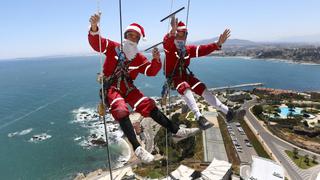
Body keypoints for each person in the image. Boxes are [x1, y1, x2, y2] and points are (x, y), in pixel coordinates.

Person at [88, 13, 198, 163]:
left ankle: (177, 130)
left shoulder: (138, 57)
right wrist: (94, 28)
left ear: (139, 40)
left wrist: (156, 60)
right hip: (111, 88)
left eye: (136, 37)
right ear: (125, 36)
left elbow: (151, 71)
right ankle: (137, 148)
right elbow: (96, 43)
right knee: (120, 108)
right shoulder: (113, 47)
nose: (132, 39)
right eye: (130, 35)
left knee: (148, 105)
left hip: (128, 87)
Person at [162, 16, 245, 130]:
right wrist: (172, 31)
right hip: (174, 77)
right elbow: (166, 43)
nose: (181, 38)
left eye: (183, 35)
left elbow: (202, 49)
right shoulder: (170, 48)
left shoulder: (187, 49)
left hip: (185, 75)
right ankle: (199, 117)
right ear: (175, 35)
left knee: (202, 89)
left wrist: (217, 44)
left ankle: (228, 112)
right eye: (178, 34)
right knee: (184, 87)